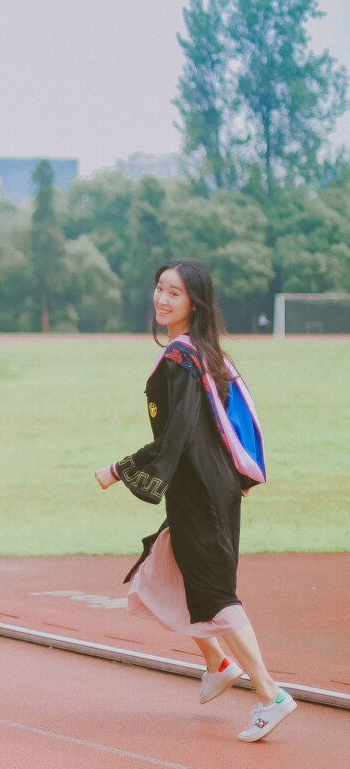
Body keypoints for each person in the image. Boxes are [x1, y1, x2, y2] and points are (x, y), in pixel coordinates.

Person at [94, 259, 296, 742]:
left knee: (215, 594)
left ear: (194, 303)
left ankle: (270, 694)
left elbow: (177, 436)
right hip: (212, 485)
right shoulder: (207, 355)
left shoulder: (182, 360)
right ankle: (217, 663)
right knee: (163, 572)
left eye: (175, 293)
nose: (162, 299)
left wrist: (120, 470)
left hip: (199, 490)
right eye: (160, 289)